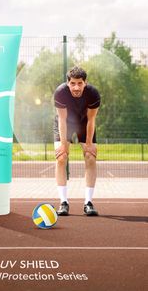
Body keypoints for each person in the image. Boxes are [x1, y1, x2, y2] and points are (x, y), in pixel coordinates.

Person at [53, 66, 100, 216]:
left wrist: (88, 144)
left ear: (85, 83)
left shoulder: (93, 94)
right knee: (61, 158)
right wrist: (63, 145)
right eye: (73, 83)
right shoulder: (60, 93)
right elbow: (62, 119)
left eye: (80, 83)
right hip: (65, 122)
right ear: (68, 83)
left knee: (90, 157)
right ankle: (63, 202)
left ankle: (88, 203)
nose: (76, 87)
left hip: (84, 122)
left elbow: (91, 119)